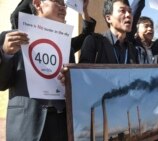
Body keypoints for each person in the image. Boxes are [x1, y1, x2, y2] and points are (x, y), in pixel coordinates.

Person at [0, 0, 95, 140]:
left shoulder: (66, 46)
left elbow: (86, 37)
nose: (63, 7)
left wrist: (70, 81)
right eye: (57, 2)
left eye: (64, 4)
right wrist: (6, 54)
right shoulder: (12, 39)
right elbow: (2, 83)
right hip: (27, 125)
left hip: (61, 123)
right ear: (38, 4)